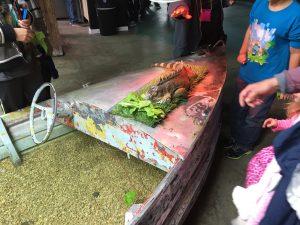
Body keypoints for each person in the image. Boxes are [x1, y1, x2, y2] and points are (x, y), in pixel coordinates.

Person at [225, 0, 300, 159]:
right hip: (247, 70)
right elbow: (251, 28)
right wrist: (242, 51)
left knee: (254, 116)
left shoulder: (296, 14)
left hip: (269, 78)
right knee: (238, 107)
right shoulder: (260, 3)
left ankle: (244, 144)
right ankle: (235, 136)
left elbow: (295, 53)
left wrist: (288, 83)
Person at [0, 1, 46, 113]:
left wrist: (26, 18)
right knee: (16, 116)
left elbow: (23, 7)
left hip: (30, 63)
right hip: (5, 73)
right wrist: (12, 34)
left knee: (43, 107)